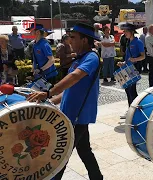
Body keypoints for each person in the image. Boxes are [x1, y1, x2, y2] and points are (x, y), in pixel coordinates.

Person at [27, 22, 103, 180]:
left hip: (78, 115)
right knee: (84, 150)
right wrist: (51, 101)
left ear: (84, 40)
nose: (70, 41)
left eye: (73, 38)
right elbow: (71, 88)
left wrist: (48, 92)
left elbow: (74, 77)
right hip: (72, 113)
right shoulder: (79, 58)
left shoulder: (91, 57)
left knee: (61, 153)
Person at [118, 23, 145, 119]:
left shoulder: (138, 42)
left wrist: (135, 59)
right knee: (127, 89)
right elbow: (128, 57)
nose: (124, 33)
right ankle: (132, 109)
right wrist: (123, 63)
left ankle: (133, 110)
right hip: (128, 67)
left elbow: (143, 56)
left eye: (125, 31)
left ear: (131, 32)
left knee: (131, 89)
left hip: (135, 67)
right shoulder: (128, 42)